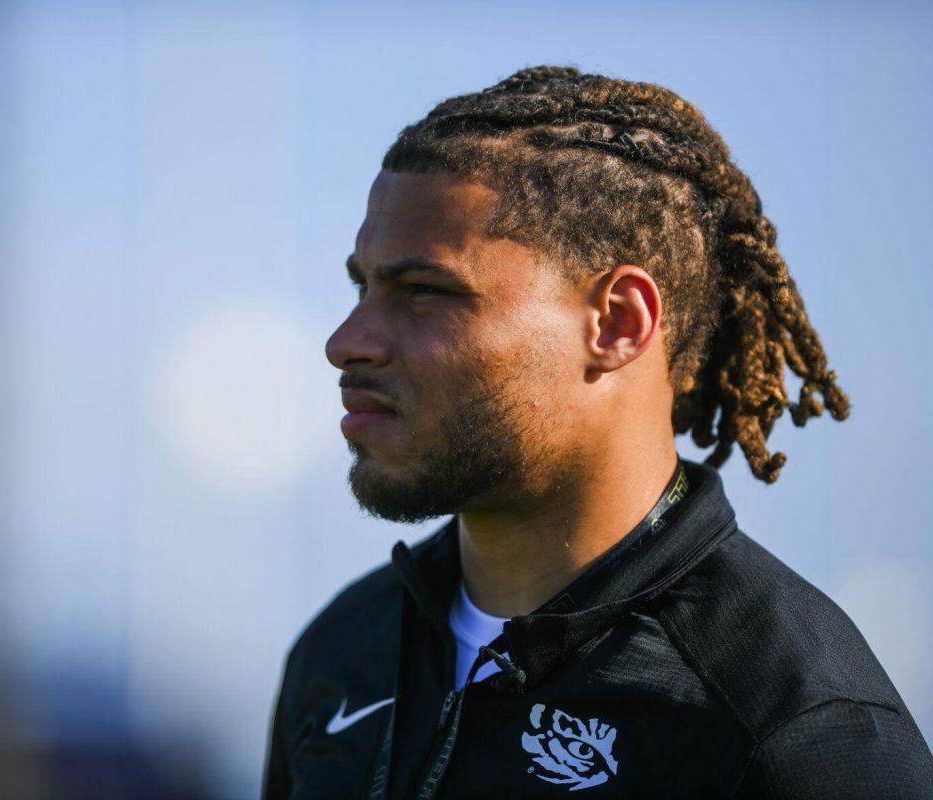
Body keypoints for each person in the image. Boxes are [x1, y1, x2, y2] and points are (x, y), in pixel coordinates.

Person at [262, 66, 933, 799]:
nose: (346, 340)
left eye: (424, 292)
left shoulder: (793, 732)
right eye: (363, 286)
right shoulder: (341, 655)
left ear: (618, 323)